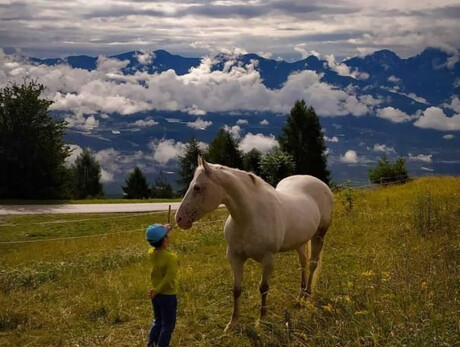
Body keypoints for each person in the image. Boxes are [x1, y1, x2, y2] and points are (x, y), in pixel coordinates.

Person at [146, 223, 178, 347]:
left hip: (156, 296)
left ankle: (151, 344)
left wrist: (165, 229)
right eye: (166, 235)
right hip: (168, 295)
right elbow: (169, 278)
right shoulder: (171, 258)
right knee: (168, 325)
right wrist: (158, 290)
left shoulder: (151, 253)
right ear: (165, 239)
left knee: (157, 321)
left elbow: (155, 235)